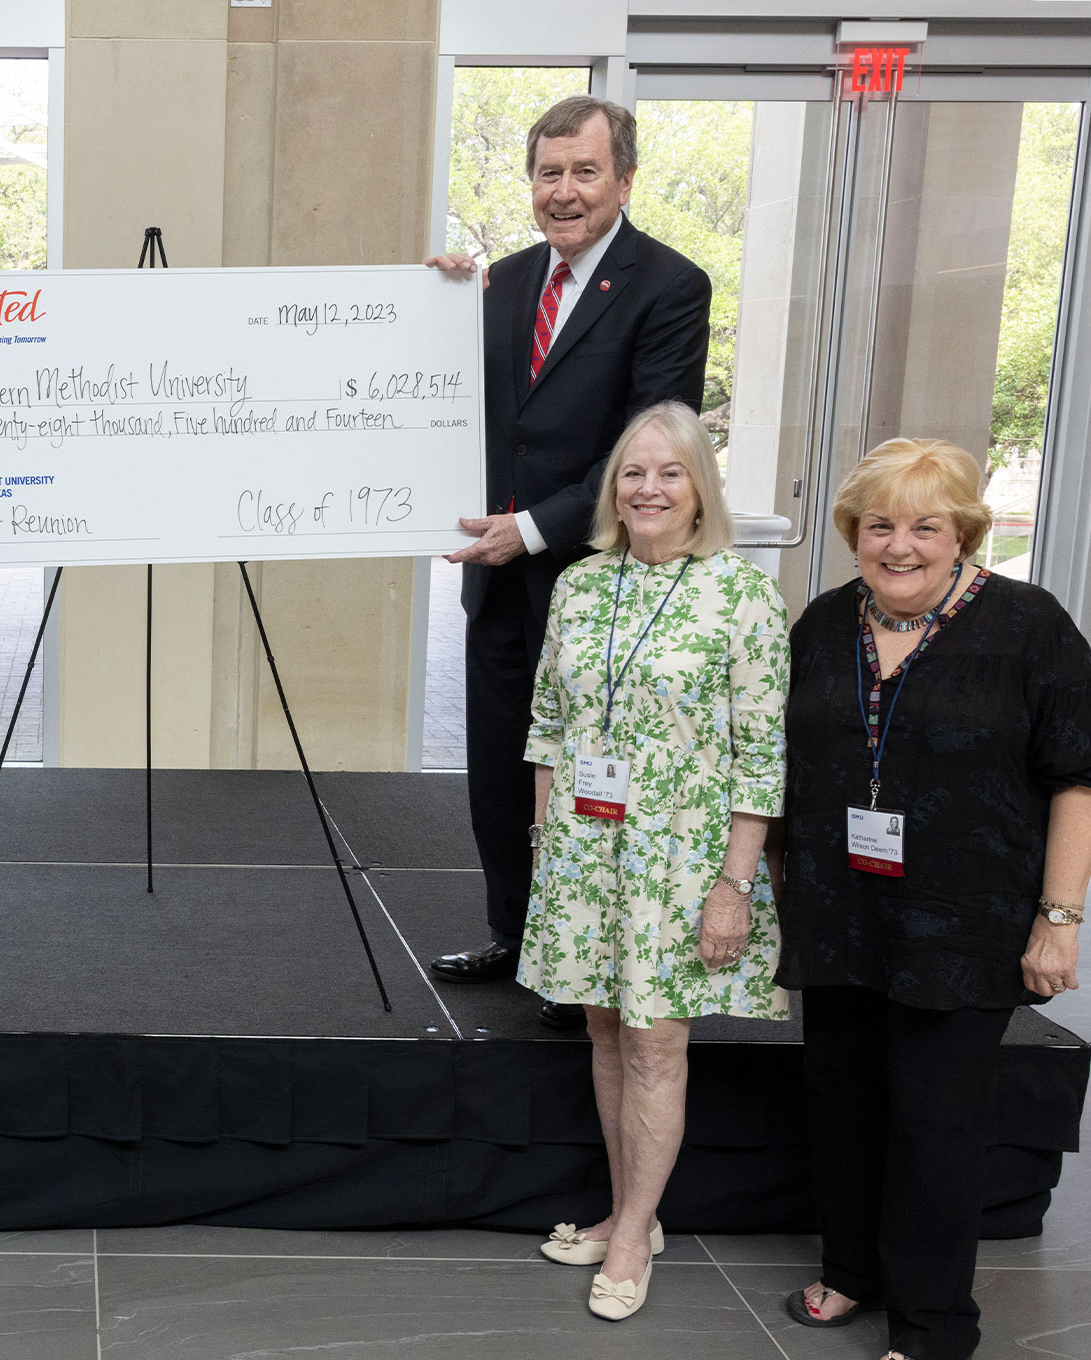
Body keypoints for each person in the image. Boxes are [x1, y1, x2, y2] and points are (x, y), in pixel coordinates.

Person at [774, 439, 1091, 1360]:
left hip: (967, 919)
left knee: (935, 1119)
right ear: (853, 533)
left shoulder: (1030, 626)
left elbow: (1077, 778)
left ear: (964, 534)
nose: (900, 545)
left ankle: (934, 1323)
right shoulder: (825, 623)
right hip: (841, 909)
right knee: (843, 1101)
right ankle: (852, 1270)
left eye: (925, 525)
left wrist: (1059, 919)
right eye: (880, 525)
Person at [423, 95, 713, 1030]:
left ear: (623, 180)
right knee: (501, 772)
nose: (564, 190)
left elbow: (645, 439)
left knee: (587, 779)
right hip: (496, 579)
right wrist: (423, 306)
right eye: (549, 172)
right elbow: (446, 403)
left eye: (584, 172)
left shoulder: (670, 286)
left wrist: (535, 529)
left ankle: (579, 959)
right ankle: (514, 936)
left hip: (593, 580)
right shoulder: (500, 283)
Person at [518, 402, 788, 1320]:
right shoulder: (581, 586)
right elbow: (548, 726)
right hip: (586, 853)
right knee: (604, 1030)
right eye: (634, 472)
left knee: (655, 1043)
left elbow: (763, 754)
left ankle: (634, 1233)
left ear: (699, 486)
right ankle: (625, 1209)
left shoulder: (743, 595)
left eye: (669, 472)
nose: (649, 488)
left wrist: (735, 886)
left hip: (682, 860)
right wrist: (546, 845)